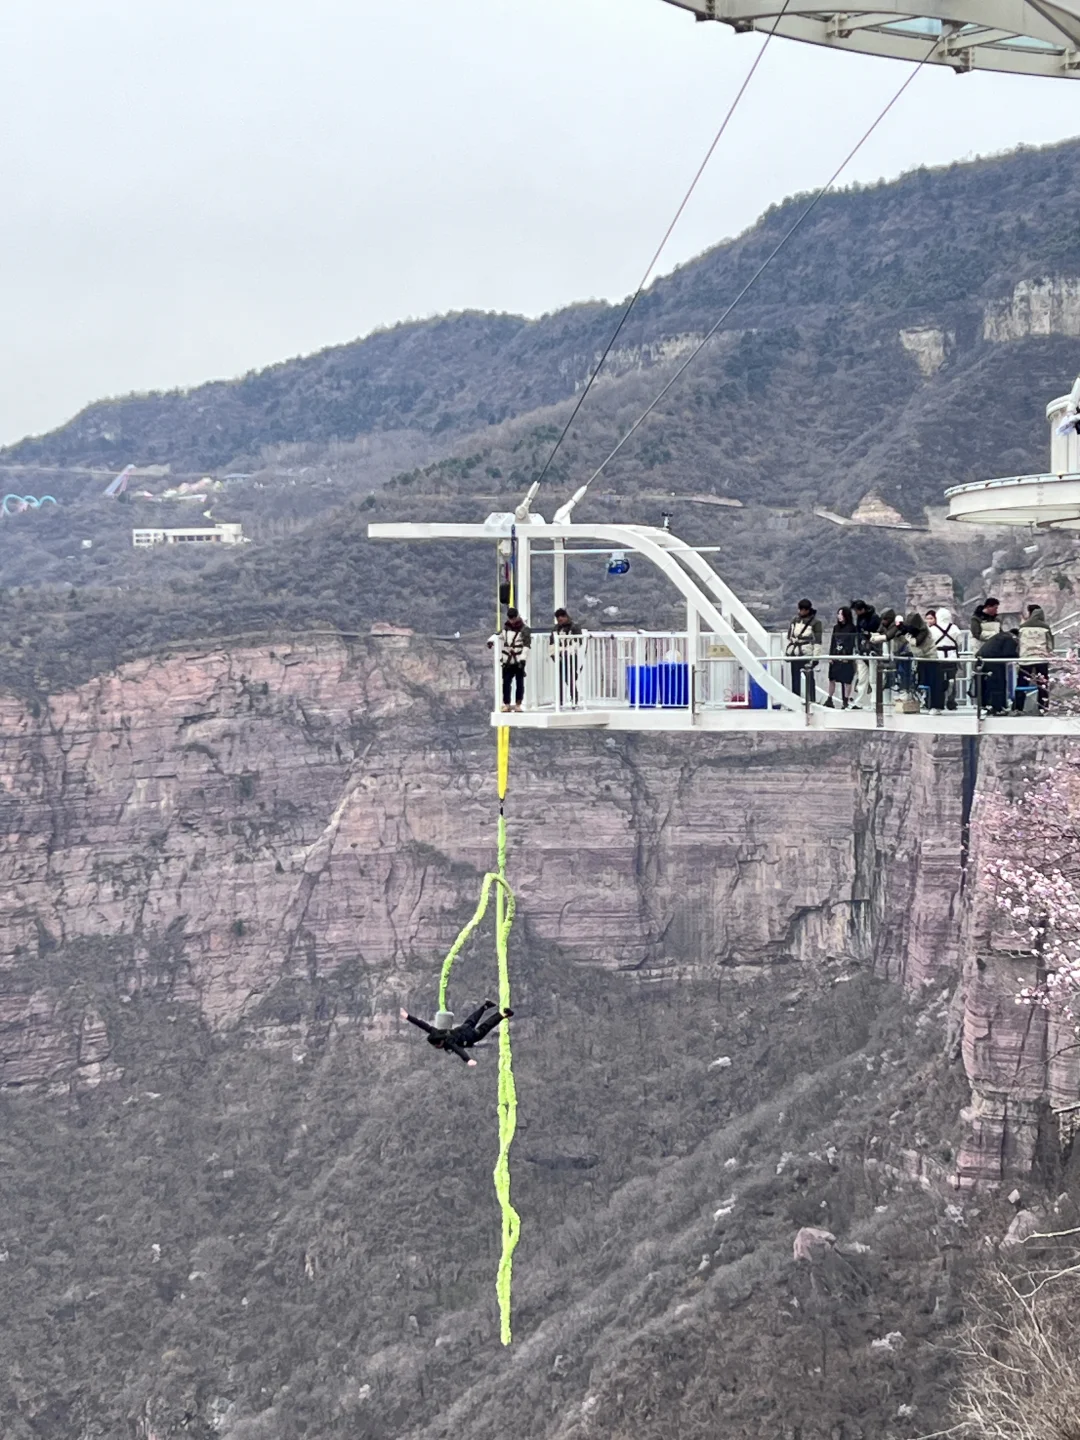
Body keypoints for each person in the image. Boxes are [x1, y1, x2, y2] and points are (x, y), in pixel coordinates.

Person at [401, 1001, 513, 1066]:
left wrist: (468, 1060)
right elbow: (422, 1024)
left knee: (486, 1026)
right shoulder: (435, 1031)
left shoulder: (448, 1042)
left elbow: (459, 1050)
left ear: (439, 1043)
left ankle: (503, 1014)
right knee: (472, 1019)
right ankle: (484, 1007)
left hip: (471, 1037)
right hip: (463, 1028)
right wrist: (407, 1016)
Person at [488, 607, 532, 712]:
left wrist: (522, 659)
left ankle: (518, 704)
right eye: (510, 618)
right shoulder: (506, 628)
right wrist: (490, 641)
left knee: (519, 683)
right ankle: (506, 704)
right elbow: (498, 635)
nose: (512, 620)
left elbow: (526, 645)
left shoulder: (524, 629)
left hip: (518, 659)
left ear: (517, 616)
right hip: (507, 660)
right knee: (506, 682)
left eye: (513, 618)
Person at [1015, 604, 1054, 713]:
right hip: (1041, 659)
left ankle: (1018, 707)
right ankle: (1043, 708)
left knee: (1022, 683)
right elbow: (1050, 645)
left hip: (1025, 659)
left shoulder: (1023, 627)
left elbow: (1019, 643)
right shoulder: (1045, 627)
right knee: (1042, 684)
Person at [900, 611, 942, 710]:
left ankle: (934, 705)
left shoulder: (924, 630)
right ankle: (925, 702)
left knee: (933, 683)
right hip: (920, 658)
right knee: (922, 682)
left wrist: (908, 638)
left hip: (930, 658)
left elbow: (917, 642)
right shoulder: (913, 631)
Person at [785, 599, 822, 704]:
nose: (801, 612)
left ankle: (812, 700)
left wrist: (816, 657)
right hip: (795, 653)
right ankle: (795, 700)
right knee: (795, 678)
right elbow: (790, 635)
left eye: (803, 609)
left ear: (807, 610)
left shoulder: (816, 623)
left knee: (809, 678)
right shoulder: (794, 620)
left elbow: (818, 641)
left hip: (807, 653)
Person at [548, 607, 585, 707]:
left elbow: (578, 643)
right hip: (560, 658)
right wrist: (555, 655)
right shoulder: (555, 629)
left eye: (562, 616)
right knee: (560, 679)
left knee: (571, 679)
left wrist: (567, 651)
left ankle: (574, 699)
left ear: (567, 616)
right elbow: (552, 644)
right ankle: (559, 701)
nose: (560, 619)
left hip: (572, 657)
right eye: (558, 617)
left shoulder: (575, 627)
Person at [976, 628, 1018, 715]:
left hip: (983, 659)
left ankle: (987, 705)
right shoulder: (1010, 638)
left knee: (987, 684)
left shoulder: (1000, 636)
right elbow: (1008, 653)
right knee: (998, 683)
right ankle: (998, 707)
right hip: (993, 661)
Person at [927, 607, 961, 710]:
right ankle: (951, 700)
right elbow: (959, 642)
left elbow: (930, 643)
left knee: (937, 680)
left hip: (938, 657)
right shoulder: (954, 628)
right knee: (952, 678)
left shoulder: (932, 629)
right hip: (952, 657)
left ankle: (938, 701)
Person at [825, 606, 857, 709]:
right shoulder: (836, 628)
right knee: (832, 678)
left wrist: (848, 655)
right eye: (838, 614)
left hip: (846, 656)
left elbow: (852, 643)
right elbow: (833, 642)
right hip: (836, 654)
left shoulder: (852, 628)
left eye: (841, 614)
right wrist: (831, 655)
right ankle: (829, 698)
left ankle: (846, 700)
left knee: (847, 679)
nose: (839, 616)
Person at [851, 600, 881, 709]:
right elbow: (859, 633)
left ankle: (874, 702)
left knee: (873, 679)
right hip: (861, 650)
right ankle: (859, 701)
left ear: (862, 609)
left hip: (872, 651)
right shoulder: (860, 618)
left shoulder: (874, 618)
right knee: (862, 677)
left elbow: (877, 633)